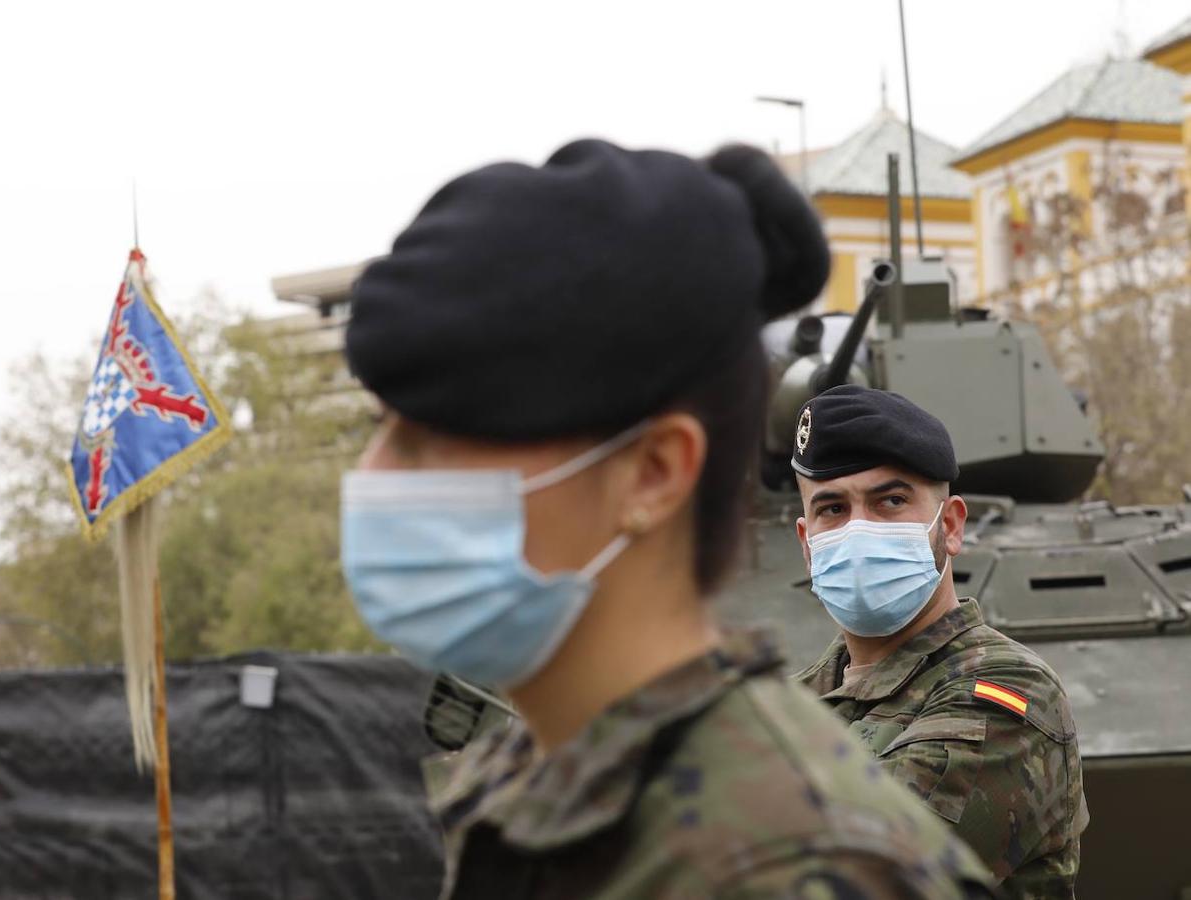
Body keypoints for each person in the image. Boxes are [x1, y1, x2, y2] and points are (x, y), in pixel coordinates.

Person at [339, 139, 995, 899]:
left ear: (651, 473)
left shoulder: (805, 869)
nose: (375, 476)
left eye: (435, 435)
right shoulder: (517, 786)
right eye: (380, 429)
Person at [790, 384, 1088, 898]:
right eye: (832, 509)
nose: (858, 530)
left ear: (949, 526)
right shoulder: (793, 699)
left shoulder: (1006, 695)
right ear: (807, 545)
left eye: (891, 500)